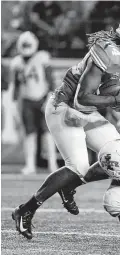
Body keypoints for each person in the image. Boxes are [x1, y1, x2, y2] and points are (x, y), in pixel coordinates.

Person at [12, 9, 120, 240]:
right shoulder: (109, 51)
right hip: (64, 108)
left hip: (87, 113)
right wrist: (115, 98)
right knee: (78, 167)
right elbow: (81, 98)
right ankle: (25, 210)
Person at [7, 31, 58, 174]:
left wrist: (49, 98)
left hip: (43, 97)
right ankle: (30, 164)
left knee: (47, 133)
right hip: (27, 100)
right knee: (29, 133)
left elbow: (50, 80)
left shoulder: (42, 57)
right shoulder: (16, 62)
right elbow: (16, 85)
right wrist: (13, 103)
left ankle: (52, 163)